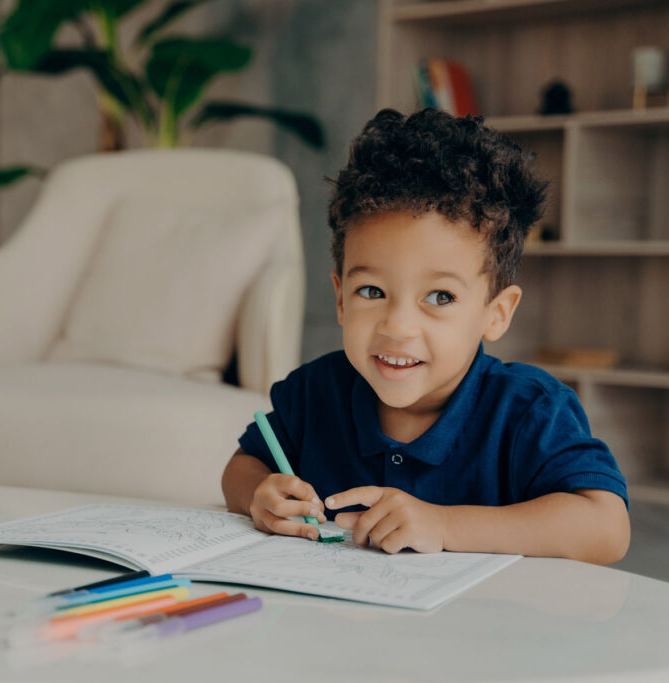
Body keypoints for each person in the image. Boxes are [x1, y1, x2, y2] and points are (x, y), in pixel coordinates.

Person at [221, 108, 630, 565]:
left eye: (439, 297)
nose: (397, 326)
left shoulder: (529, 410)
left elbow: (606, 527)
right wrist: (258, 494)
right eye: (371, 291)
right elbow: (241, 467)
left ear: (496, 314)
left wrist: (445, 524)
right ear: (340, 300)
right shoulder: (314, 392)